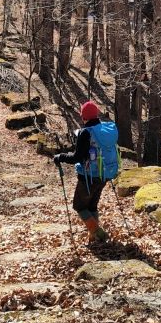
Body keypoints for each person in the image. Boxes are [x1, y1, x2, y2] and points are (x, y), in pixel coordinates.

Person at [53, 101, 120, 243]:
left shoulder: (86, 133)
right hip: (105, 173)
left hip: (88, 177)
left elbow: (77, 157)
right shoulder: (106, 129)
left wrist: (61, 157)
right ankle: (94, 237)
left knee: (79, 205)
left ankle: (99, 233)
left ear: (84, 116)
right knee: (91, 205)